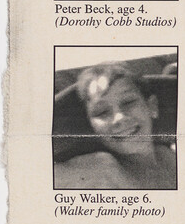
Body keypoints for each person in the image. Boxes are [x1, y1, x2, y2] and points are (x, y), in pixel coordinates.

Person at [54, 62, 178, 190]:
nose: (120, 117)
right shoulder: (101, 170)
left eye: (128, 102)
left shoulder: (169, 155)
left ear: (152, 106)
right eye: (102, 112)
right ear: (91, 127)